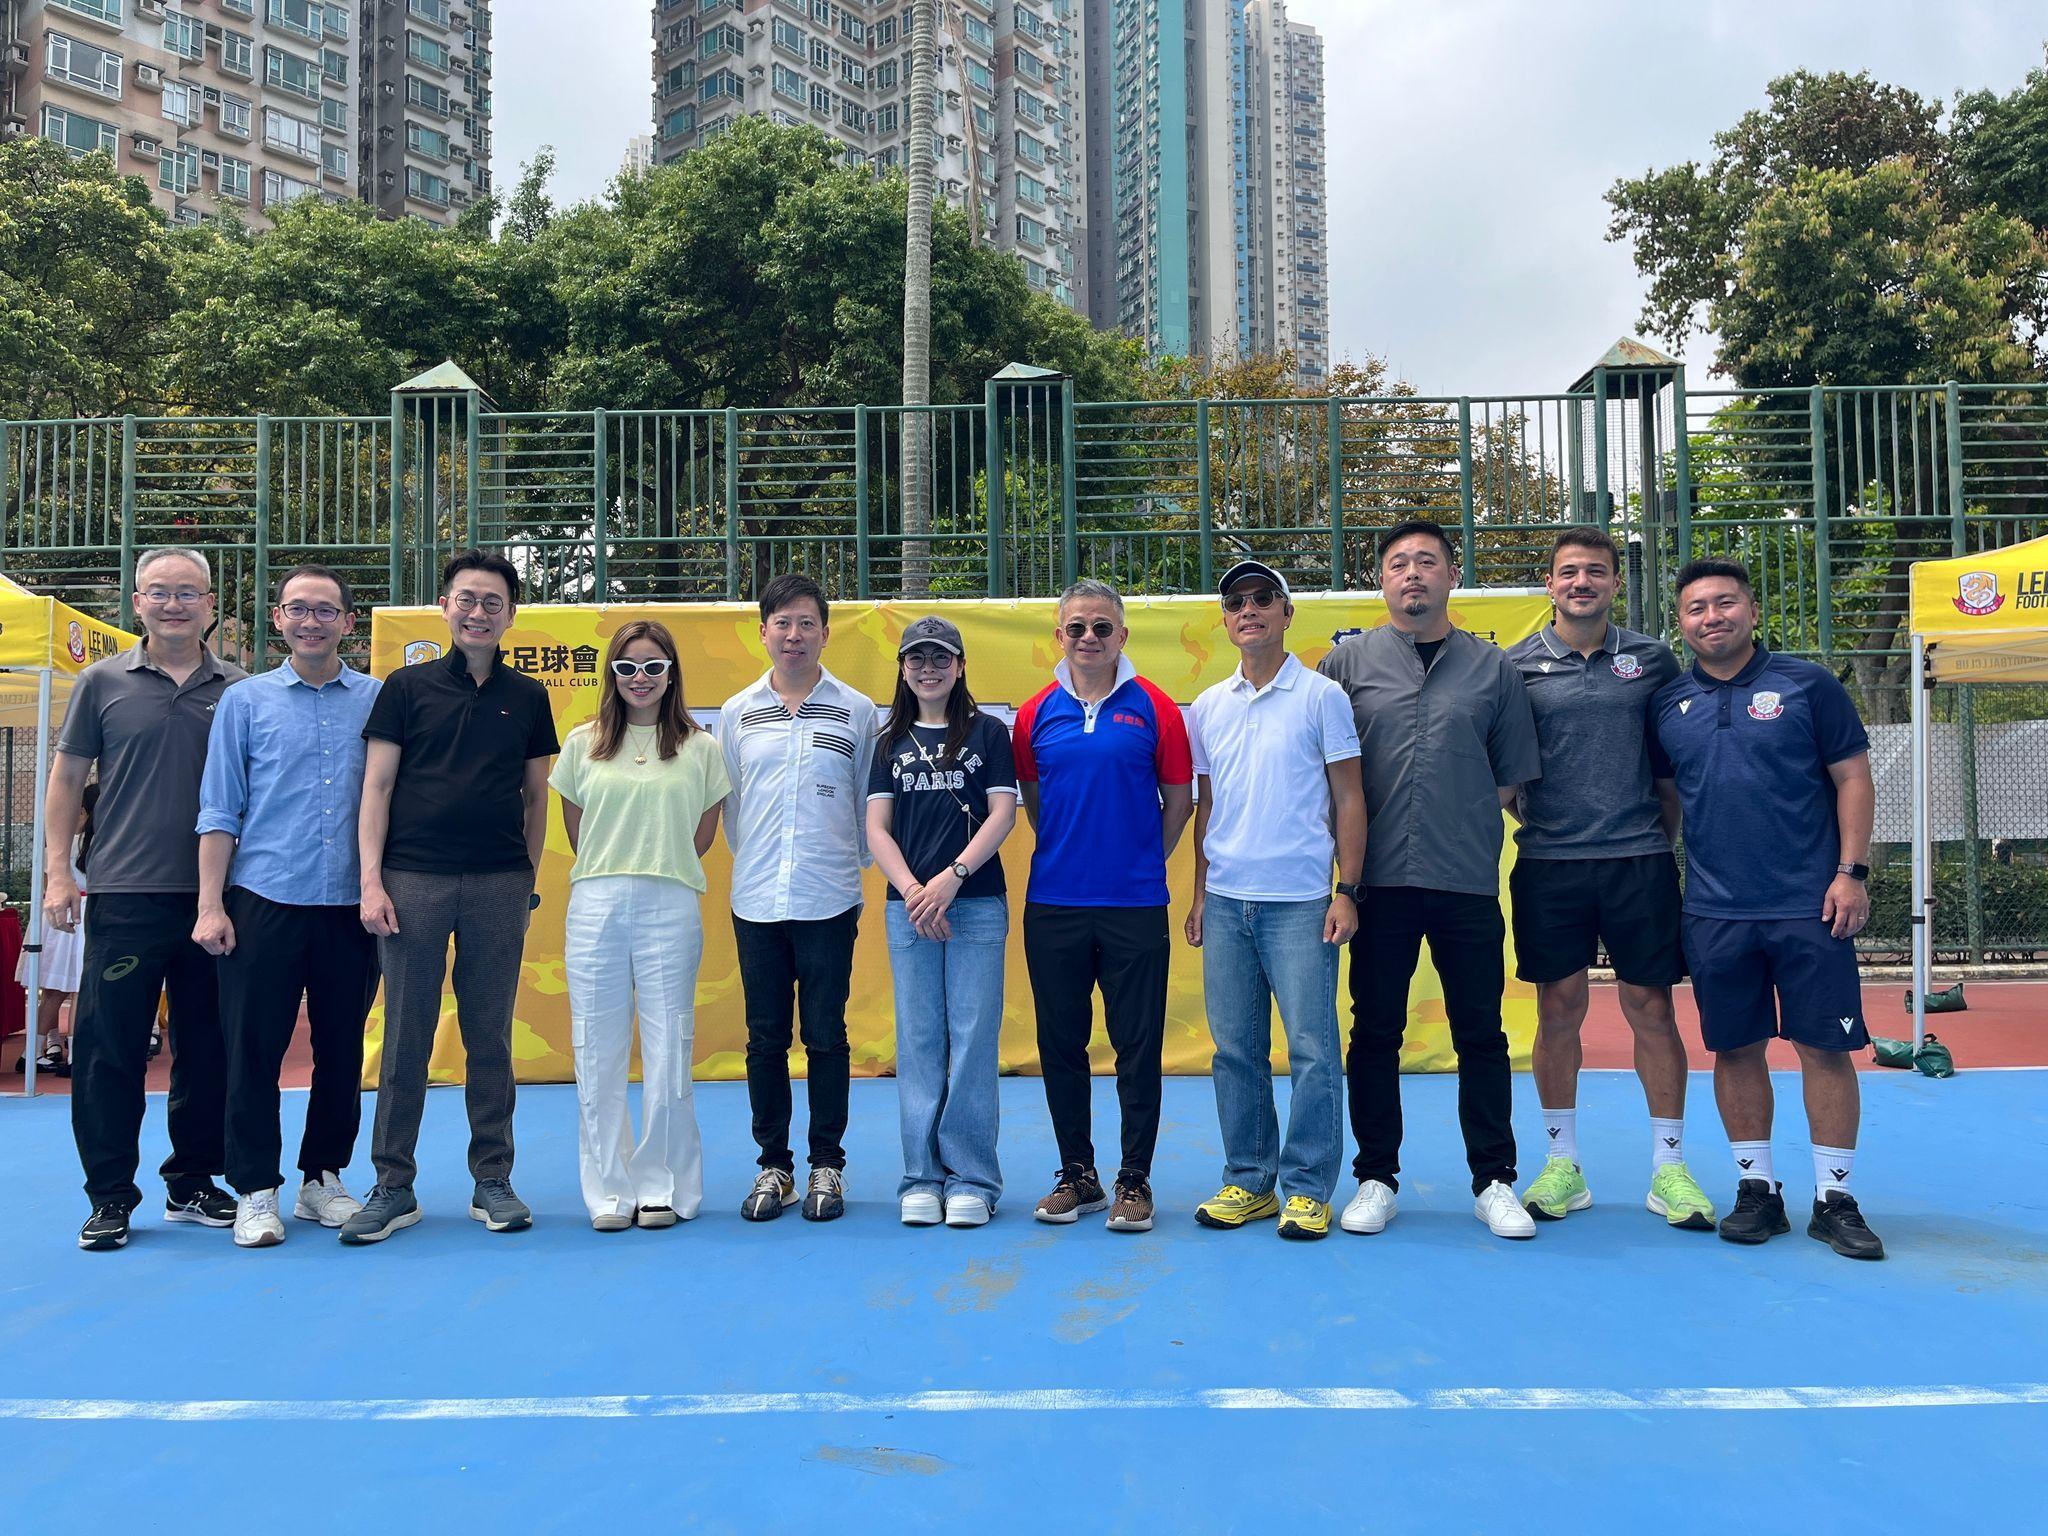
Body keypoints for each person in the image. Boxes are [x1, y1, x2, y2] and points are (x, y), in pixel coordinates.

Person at [1653, 558, 1884, 1260]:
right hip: (1715, 913)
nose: (1712, 617)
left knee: (1825, 1049)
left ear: (1752, 612)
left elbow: (1853, 778)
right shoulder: (1667, 703)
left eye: (1725, 603)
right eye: (1696, 608)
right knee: (1734, 1049)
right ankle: (1758, 1190)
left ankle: (1835, 1199)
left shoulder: (1808, 685)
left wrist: (1851, 874)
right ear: (1681, 623)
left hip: (1810, 906)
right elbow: (1668, 803)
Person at [1319, 519, 1543, 1240]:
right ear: (1380, 581)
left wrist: (1455, 815)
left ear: (1452, 575)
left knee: (1481, 1033)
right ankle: (1376, 1178)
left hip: (1465, 880)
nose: (1412, 573)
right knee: (1374, 1031)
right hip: (1375, 883)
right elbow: (1323, 775)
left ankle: (1494, 1180)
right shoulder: (1345, 665)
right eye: (1397, 563)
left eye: (1426, 561)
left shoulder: (1493, 669)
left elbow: (1509, 778)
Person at [1505, 528, 1716, 1231]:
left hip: (1638, 862)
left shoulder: (1652, 659)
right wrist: (1541, 819)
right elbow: (1505, 771)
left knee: (1651, 1009)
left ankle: (1669, 1169)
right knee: (1558, 1010)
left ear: (1615, 583)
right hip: (1548, 864)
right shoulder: (1516, 665)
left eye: (1596, 571)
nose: (1581, 582)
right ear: (1550, 584)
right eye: (1569, 571)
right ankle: (1562, 1165)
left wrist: (1652, 838)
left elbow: (1669, 768)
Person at [345, 549, 558, 1243]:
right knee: (405, 1034)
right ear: (445, 606)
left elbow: (536, 797)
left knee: (489, 1034)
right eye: (466, 599)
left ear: (510, 615)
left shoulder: (529, 696)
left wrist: (525, 878)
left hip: (498, 883)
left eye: (493, 602)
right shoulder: (405, 687)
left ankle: (492, 1178)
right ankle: (392, 1183)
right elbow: (377, 787)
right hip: (413, 880)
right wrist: (372, 880)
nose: (478, 613)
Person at [45, 547, 247, 1251]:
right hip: (125, 897)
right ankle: (109, 1196)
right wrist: (58, 874)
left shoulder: (241, 689)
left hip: (219, 900)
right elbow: (66, 780)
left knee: (209, 1047)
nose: (173, 604)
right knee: (110, 1051)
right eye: (159, 592)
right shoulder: (100, 682)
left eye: (188, 592)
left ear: (211, 604)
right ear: (137, 602)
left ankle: (192, 1180)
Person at [195, 566, 383, 1248]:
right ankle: (254, 1187)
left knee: (341, 1048)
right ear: (278, 618)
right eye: (298, 609)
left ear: (348, 623)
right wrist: (210, 905)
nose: (311, 621)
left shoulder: (378, 700)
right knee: (253, 1050)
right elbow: (219, 807)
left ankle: (322, 1178)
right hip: (263, 899)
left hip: (350, 905)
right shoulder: (244, 702)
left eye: (326, 610)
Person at [1185, 561, 1365, 1241]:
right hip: (1227, 902)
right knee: (1236, 1050)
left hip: (1301, 903)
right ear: (1226, 620)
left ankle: (1308, 1188)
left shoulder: (1322, 697)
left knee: (1313, 1050)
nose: (1249, 610)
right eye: (1236, 601)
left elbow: (1350, 797)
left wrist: (1346, 890)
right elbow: (1207, 808)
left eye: (1264, 598)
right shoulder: (1209, 705)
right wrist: (1200, 896)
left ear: (1287, 613)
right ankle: (1250, 1180)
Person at [1013, 578, 1193, 1234]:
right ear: (1058, 636)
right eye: (1077, 627)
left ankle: (1134, 1179)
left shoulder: (1158, 708)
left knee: (1137, 1046)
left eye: (1101, 627)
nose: (1089, 637)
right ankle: (1078, 1175)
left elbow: (1179, 801)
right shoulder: (1033, 714)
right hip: (1054, 904)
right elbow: (1036, 802)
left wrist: (1140, 857)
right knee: (1061, 1044)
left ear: (1122, 635)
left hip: (1134, 904)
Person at [551, 621, 728, 1232]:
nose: (640, 678)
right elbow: (578, 828)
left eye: (653, 667)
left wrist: (658, 862)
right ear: (612, 675)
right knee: (595, 1049)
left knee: (669, 1047)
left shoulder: (701, 748)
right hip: (595, 903)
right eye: (627, 667)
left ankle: (663, 1185)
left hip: (670, 900)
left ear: (672, 673)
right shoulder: (583, 743)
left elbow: (702, 834)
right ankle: (608, 1190)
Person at [719, 573, 878, 1224]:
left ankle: (826, 1165)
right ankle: (774, 1166)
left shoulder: (857, 710)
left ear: (825, 633)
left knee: (826, 1037)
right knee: (764, 1039)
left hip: (830, 896)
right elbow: (732, 808)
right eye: (782, 623)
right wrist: (761, 861)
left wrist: (843, 866)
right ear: (763, 632)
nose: (794, 635)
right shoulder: (737, 712)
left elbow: (868, 803)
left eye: (806, 623)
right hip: (756, 898)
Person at [865, 616, 1018, 1228]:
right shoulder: (888, 742)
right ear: (903, 669)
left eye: (940, 658)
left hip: (974, 903)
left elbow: (1002, 814)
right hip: (910, 912)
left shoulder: (989, 732)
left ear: (960, 666)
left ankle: (973, 1179)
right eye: (917, 659)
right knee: (920, 1040)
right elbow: (877, 828)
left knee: (973, 1040)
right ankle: (922, 1177)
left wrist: (951, 877)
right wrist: (912, 891)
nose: (928, 669)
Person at [14, 783, 96, 1079]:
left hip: (55, 915)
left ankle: (30, 1053)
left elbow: (48, 884)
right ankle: (76, 1056)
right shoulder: (100, 843)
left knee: (52, 992)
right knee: (80, 990)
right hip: (83, 915)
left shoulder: (61, 844)